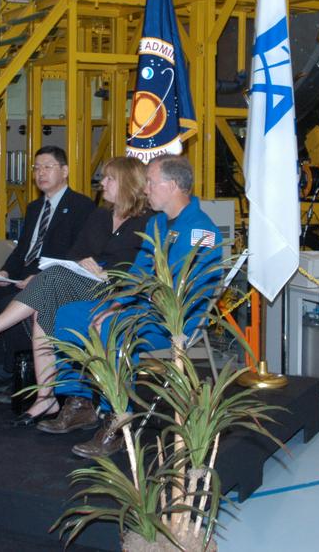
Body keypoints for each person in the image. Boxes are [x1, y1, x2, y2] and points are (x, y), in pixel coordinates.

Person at [0, 156, 152, 426]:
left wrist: (106, 271)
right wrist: (82, 261)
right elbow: (75, 251)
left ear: (127, 182)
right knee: (44, 307)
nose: (102, 183)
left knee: (51, 279)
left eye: (109, 178)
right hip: (82, 281)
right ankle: (46, 396)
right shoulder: (100, 215)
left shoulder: (147, 221)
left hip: (116, 289)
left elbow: (142, 266)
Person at [47, 153, 223, 457]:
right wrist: (116, 303)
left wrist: (122, 310)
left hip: (174, 320)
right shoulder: (156, 223)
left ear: (171, 186)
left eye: (152, 183)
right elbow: (138, 274)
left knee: (111, 326)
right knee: (67, 314)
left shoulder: (201, 231)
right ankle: (79, 403)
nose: (145, 189)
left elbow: (181, 292)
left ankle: (116, 419)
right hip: (140, 307)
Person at [0, 145, 94, 401]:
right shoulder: (35, 208)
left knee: (5, 304)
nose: (40, 173)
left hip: (51, 278)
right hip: (20, 276)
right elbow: (23, 249)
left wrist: (42, 276)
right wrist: (4, 271)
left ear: (64, 171)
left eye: (47, 167)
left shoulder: (81, 206)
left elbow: (77, 252)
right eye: (36, 168)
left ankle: (17, 374)